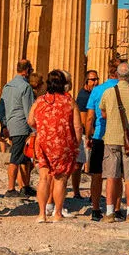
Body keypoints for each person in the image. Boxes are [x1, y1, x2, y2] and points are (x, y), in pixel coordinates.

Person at [28, 69, 82, 222]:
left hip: (43, 142)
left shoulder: (40, 101)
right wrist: (76, 144)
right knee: (60, 179)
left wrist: (43, 125)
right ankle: (57, 213)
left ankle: (41, 214)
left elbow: (30, 121)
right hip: (63, 143)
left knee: (44, 178)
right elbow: (77, 127)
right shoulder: (69, 101)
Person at [99, 61, 129, 223]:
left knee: (111, 177)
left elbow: (103, 113)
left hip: (111, 138)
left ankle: (110, 213)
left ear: (117, 75)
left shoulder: (107, 92)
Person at [86, 61, 119, 221]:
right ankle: (116, 209)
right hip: (117, 136)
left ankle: (95, 209)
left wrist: (88, 135)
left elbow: (90, 116)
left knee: (97, 175)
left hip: (99, 135)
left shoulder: (98, 90)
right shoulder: (126, 89)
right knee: (116, 175)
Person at [0, 59, 36, 198]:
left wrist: (3, 125)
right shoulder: (26, 87)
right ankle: (10, 188)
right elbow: (29, 111)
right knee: (16, 157)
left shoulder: (7, 86)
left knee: (24, 158)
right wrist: (34, 130)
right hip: (21, 126)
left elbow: (1, 107)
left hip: (11, 125)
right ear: (26, 71)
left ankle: (25, 186)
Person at [72, 70, 99, 199]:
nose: (96, 82)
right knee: (79, 164)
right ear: (86, 81)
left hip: (88, 133)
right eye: (93, 79)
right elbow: (84, 119)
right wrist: (91, 134)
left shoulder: (92, 94)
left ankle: (91, 193)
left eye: (97, 79)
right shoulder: (83, 96)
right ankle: (77, 192)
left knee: (86, 164)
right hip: (84, 134)